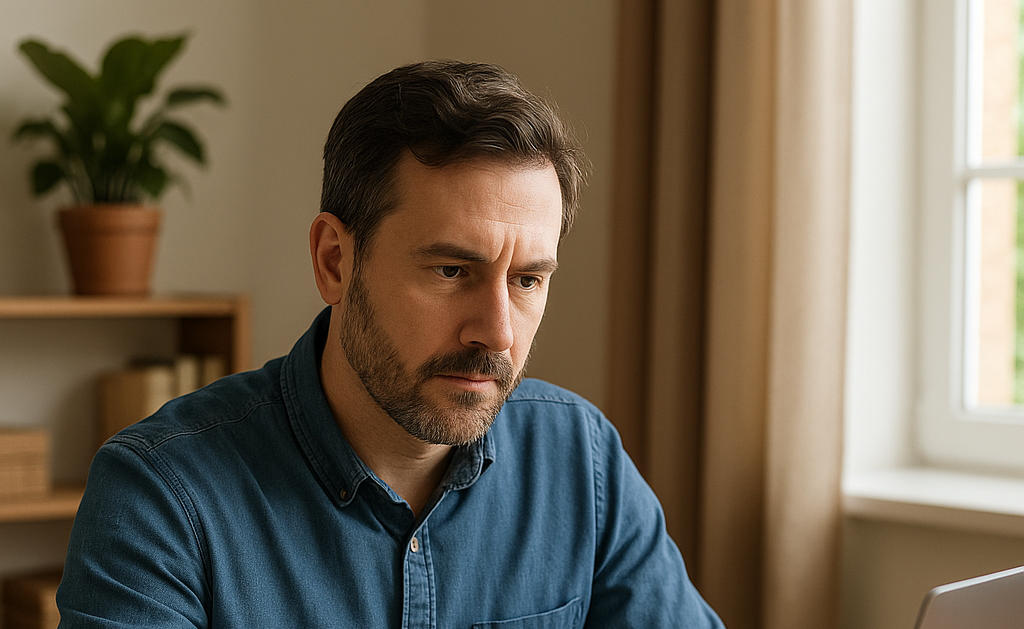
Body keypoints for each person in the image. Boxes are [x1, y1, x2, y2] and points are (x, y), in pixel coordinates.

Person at [57, 60, 725, 628]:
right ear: (335, 262)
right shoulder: (162, 496)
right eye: (451, 270)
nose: (496, 330)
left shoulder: (583, 463)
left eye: (527, 279)